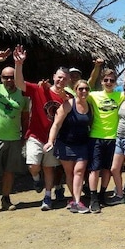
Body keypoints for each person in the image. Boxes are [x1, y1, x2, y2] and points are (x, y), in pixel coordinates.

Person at [14, 45, 71, 211]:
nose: (61, 81)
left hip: (53, 139)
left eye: (64, 79)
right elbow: (19, 84)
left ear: (68, 81)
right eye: (59, 77)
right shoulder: (39, 89)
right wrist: (19, 64)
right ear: (54, 76)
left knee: (49, 168)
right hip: (35, 135)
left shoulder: (67, 98)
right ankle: (35, 177)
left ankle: (47, 197)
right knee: (33, 164)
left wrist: (65, 99)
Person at [86, 68, 125, 213]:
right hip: (104, 137)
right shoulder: (95, 95)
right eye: (106, 80)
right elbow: (82, 90)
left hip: (121, 138)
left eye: (112, 80)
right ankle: (101, 197)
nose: (109, 82)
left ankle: (123, 195)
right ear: (102, 81)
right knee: (103, 169)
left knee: (119, 169)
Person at [0, 49, 29, 218]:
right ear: (1, 78)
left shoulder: (22, 94)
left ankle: (6, 199)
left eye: (11, 77)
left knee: (10, 171)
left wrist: (24, 136)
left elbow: (24, 118)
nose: (9, 79)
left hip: (13, 139)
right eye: (5, 77)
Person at [43, 80, 92, 214]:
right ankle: (76, 200)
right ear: (75, 90)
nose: (83, 91)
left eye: (86, 89)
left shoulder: (90, 105)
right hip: (66, 144)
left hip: (82, 144)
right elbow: (56, 124)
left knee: (79, 171)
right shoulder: (68, 105)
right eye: (80, 89)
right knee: (69, 173)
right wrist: (50, 141)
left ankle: (76, 201)